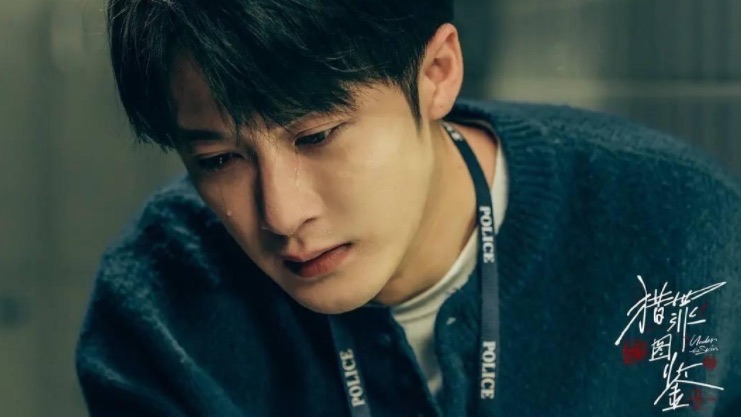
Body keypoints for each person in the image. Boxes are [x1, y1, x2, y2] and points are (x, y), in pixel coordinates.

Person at [75, 0, 741, 416]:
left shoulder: (675, 224)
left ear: (436, 73)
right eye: (219, 159)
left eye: (317, 136)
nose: (280, 214)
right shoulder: (159, 308)